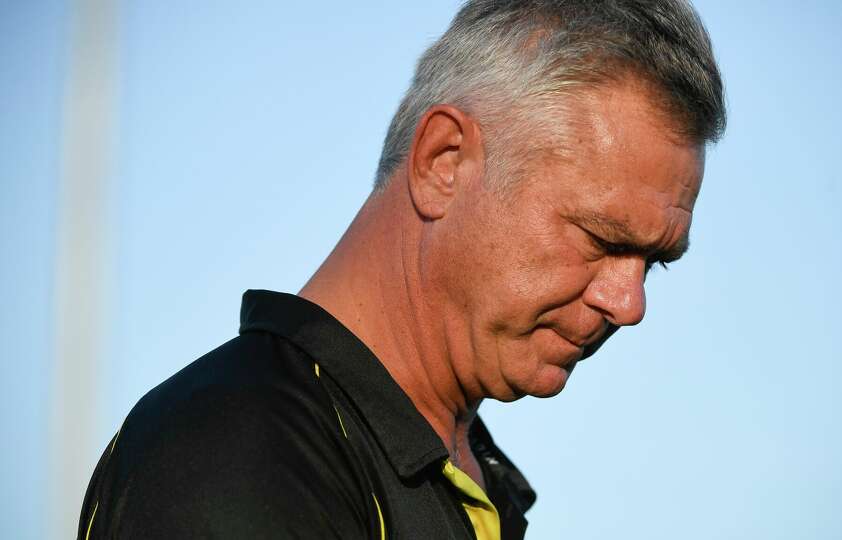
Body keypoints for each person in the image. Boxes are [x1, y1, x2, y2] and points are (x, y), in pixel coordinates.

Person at [77, 1, 725, 538]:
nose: (630, 303)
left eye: (655, 263)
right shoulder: (236, 450)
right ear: (443, 162)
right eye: (603, 238)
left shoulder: (456, 476)